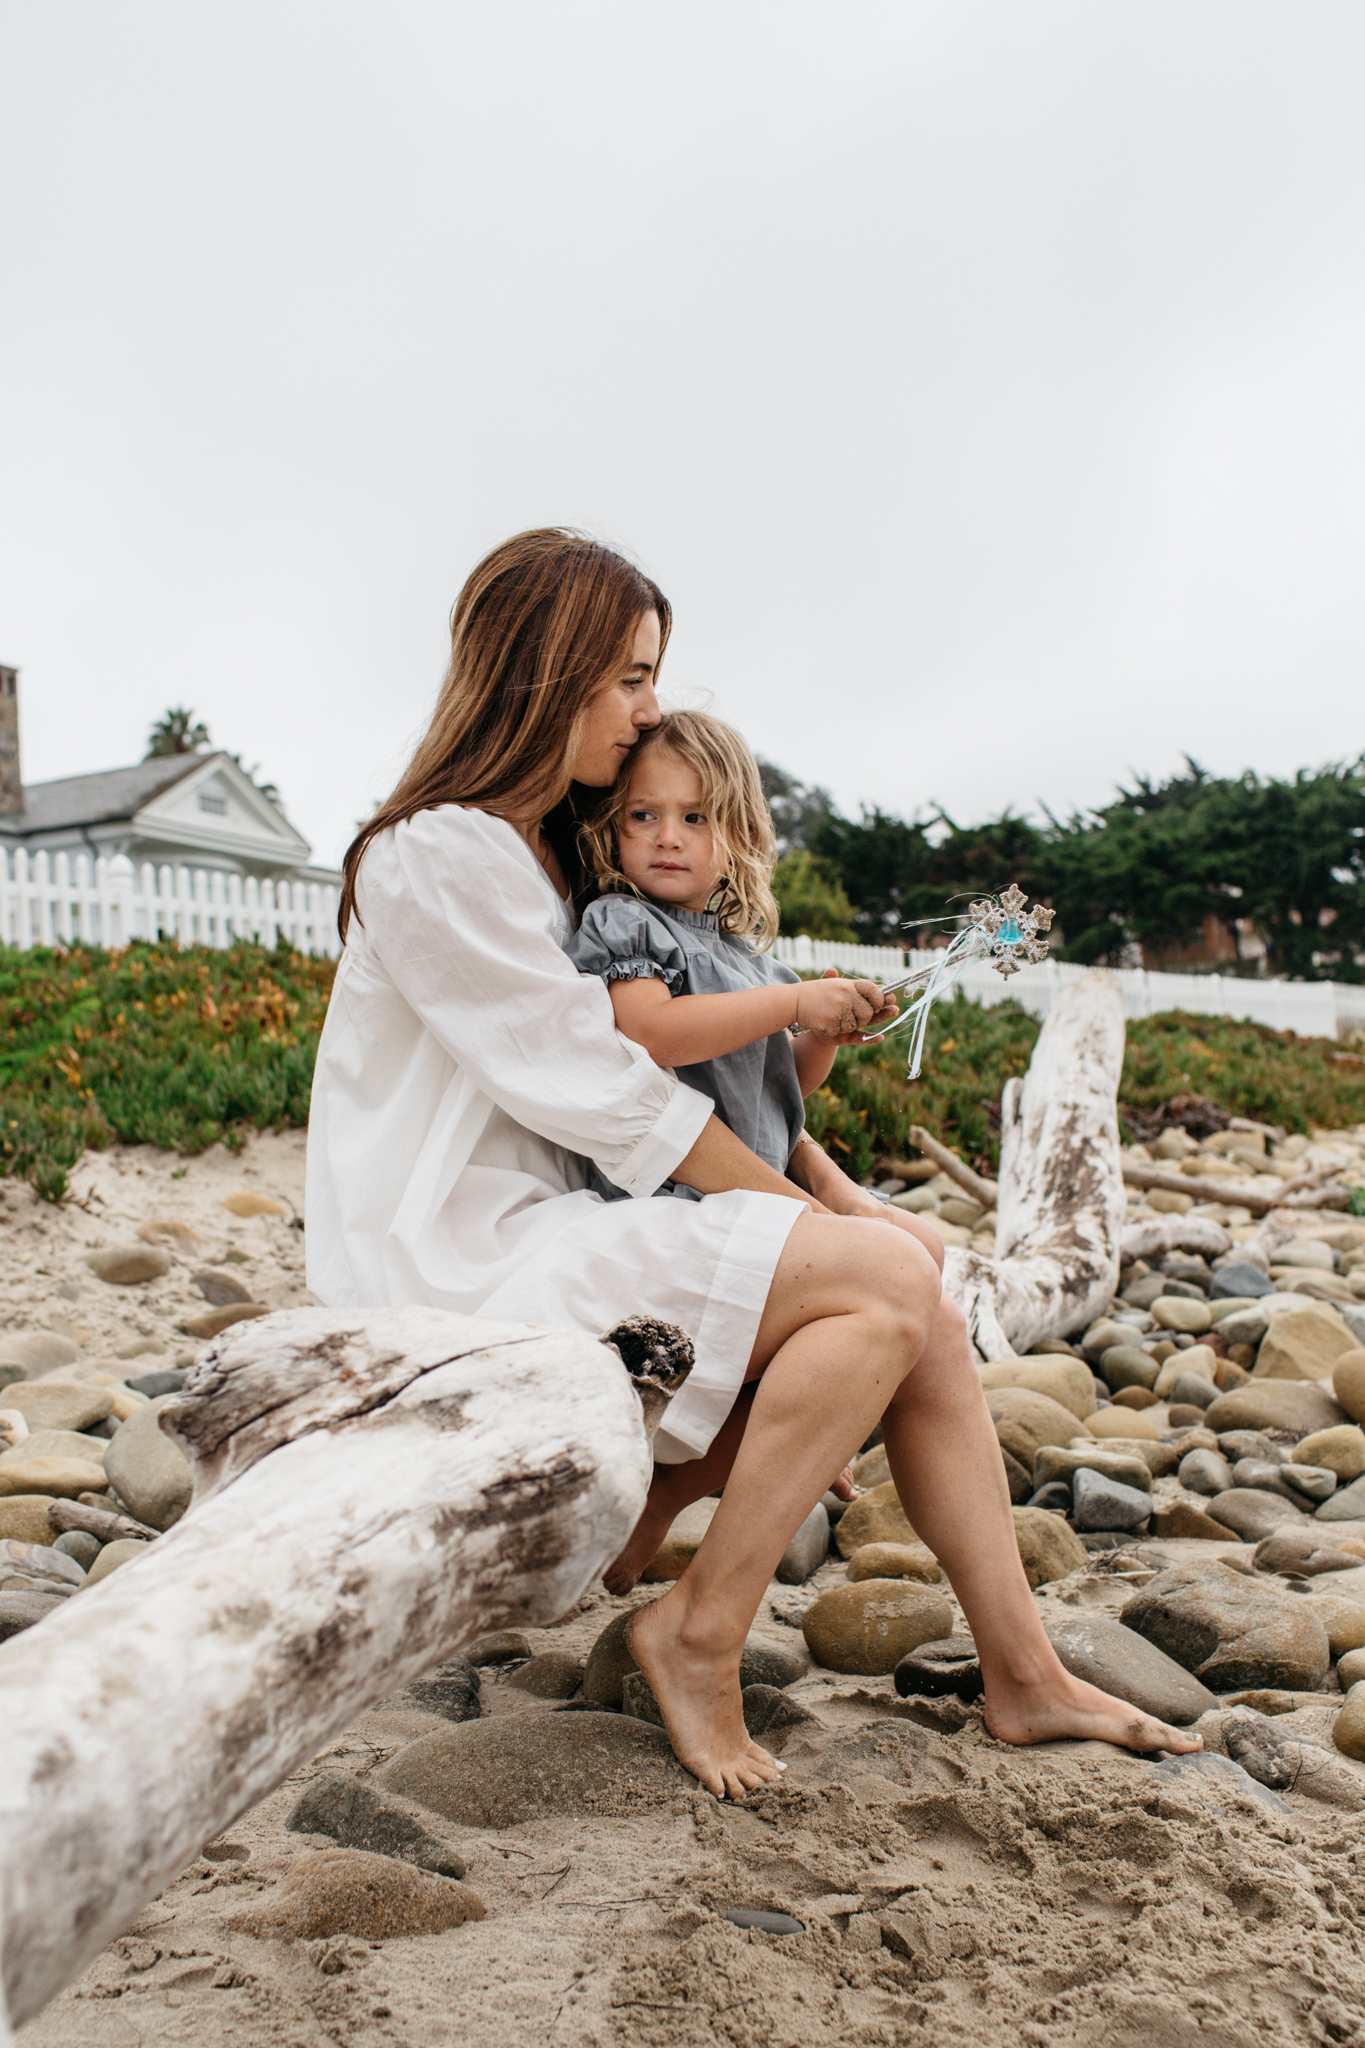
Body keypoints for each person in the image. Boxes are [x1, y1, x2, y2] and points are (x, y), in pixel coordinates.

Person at [306, 526, 1200, 1800]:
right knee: (886, 1284)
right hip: (468, 1260)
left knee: (924, 1314)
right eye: (628, 675)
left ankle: (1024, 1669)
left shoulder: (550, 857)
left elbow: (696, 1094)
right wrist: (817, 1223)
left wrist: (829, 1194)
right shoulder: (438, 852)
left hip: (577, 1223)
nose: (647, 707)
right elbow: (614, 1094)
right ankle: (701, 1627)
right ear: (545, 669)